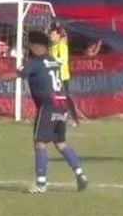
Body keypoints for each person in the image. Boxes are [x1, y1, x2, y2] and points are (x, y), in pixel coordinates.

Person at [17, 31, 88, 194]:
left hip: (48, 105)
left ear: (35, 46)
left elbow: (19, 74)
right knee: (61, 143)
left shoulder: (34, 62)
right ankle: (80, 174)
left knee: (40, 143)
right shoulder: (52, 60)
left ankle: (41, 183)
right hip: (61, 103)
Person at [49, 25, 81, 125]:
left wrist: (50, 62)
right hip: (54, 77)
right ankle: (56, 118)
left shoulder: (62, 46)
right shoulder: (51, 48)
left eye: (53, 34)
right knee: (53, 98)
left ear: (58, 35)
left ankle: (75, 119)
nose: (51, 36)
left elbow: (62, 60)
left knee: (66, 97)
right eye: (50, 34)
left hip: (62, 77)